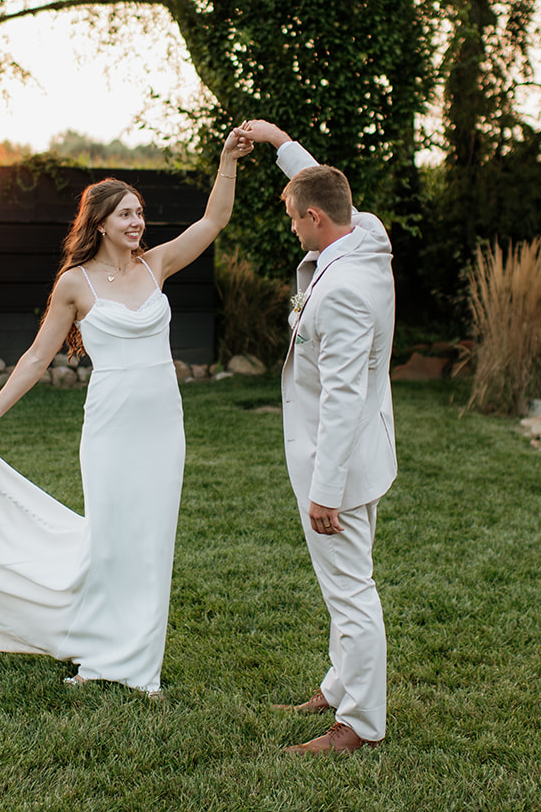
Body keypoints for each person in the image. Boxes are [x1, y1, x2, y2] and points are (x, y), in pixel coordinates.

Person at [0, 126, 254, 695]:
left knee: (152, 540)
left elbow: (212, 222)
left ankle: (138, 666)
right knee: (110, 538)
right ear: (101, 222)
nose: (138, 224)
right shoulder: (74, 285)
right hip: (110, 427)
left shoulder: (155, 266)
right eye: (127, 215)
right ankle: (98, 654)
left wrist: (227, 161)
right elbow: (37, 357)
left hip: (162, 425)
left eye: (141, 214)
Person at [237, 119, 396, 754]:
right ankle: (337, 685)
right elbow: (323, 184)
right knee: (342, 585)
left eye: (294, 220)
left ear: (314, 220)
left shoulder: (347, 291)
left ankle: (358, 722)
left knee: (353, 591)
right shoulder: (367, 233)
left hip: (342, 467)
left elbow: (343, 397)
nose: (291, 228)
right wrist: (280, 146)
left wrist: (324, 491)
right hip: (362, 454)